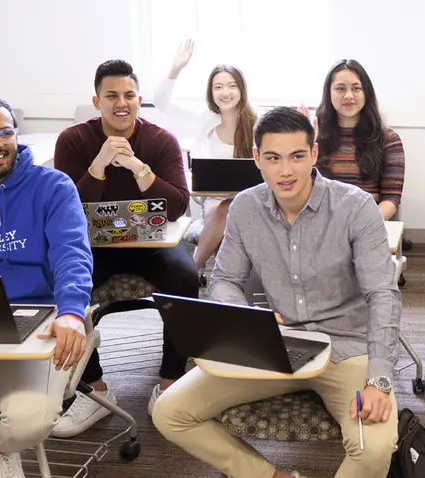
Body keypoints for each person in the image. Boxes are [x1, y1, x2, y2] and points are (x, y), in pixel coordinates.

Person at [152, 107, 400, 478]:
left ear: (314, 154)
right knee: (170, 412)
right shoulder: (245, 207)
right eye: (273, 158)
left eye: (297, 156)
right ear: (257, 158)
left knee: (374, 448)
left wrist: (379, 380)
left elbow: (382, 294)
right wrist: (249, 319)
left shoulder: (356, 207)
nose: (286, 171)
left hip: (347, 348)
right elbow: (224, 279)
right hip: (274, 344)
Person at [52, 59, 199, 437]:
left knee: (186, 278)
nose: (122, 103)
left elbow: (177, 207)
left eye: (129, 95)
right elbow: (67, 209)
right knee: (61, 284)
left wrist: (137, 167)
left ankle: (170, 382)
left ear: (139, 99)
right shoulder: (73, 140)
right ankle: (93, 389)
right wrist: (99, 165)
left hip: (150, 241)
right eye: (112, 96)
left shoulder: (160, 140)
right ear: (96, 101)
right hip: (93, 245)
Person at [0, 94, 93, 477]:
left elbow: (72, 254)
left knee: (29, 422)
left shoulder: (53, 187)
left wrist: (71, 313)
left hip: (37, 315)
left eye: (5, 132)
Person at [154, 39, 259, 282]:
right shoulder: (204, 116)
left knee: (227, 214)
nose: (225, 93)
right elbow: (161, 101)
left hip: (251, 198)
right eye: (218, 87)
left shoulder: (257, 120)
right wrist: (175, 68)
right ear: (211, 92)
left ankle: (194, 272)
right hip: (215, 197)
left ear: (242, 89)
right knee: (222, 212)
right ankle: (207, 277)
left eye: (231, 86)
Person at [301, 59, 404, 222]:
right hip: (320, 223)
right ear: (329, 93)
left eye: (356, 88)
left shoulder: (388, 139)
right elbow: (301, 187)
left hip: (367, 223)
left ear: (366, 93)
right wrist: (304, 143)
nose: (349, 96)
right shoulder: (315, 135)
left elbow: (391, 198)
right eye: (340, 88)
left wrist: (361, 225)